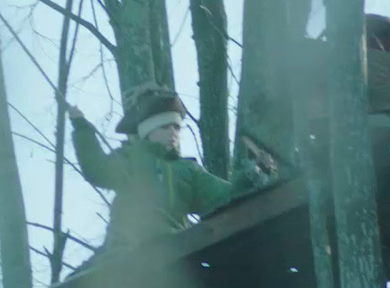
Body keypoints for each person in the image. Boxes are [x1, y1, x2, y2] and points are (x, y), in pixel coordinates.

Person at [69, 83, 275, 253]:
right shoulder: (129, 159)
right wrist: (82, 129)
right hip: (125, 247)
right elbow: (96, 170)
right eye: (165, 127)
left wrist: (252, 175)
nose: (173, 133)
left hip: (173, 245)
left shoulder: (187, 170)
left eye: (176, 127)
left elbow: (223, 196)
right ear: (147, 132)